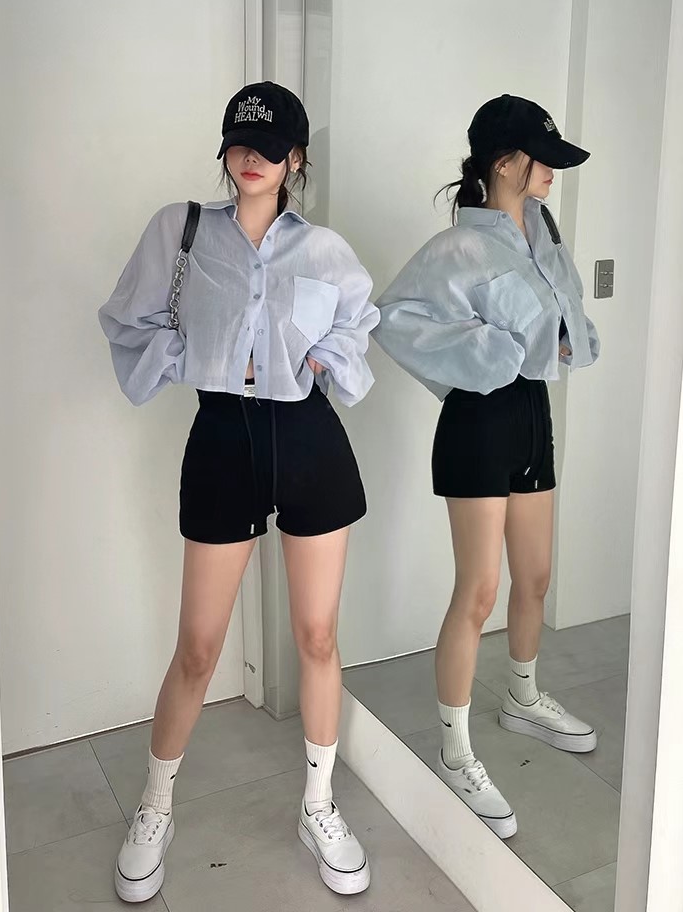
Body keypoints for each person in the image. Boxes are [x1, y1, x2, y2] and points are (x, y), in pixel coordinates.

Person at [99, 81, 378, 900]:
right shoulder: (181, 232)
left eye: (270, 146)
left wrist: (323, 359)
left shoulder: (324, 250)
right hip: (223, 437)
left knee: (317, 637)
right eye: (239, 143)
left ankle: (319, 805)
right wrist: (195, 359)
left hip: (309, 439)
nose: (251, 158)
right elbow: (128, 321)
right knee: (197, 647)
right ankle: (156, 807)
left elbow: (359, 324)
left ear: (297, 159)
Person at [372, 94, 600, 838]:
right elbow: (393, 318)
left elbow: (561, 318)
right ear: (506, 163)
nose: (552, 175)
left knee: (535, 577)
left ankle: (522, 697)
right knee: (479, 590)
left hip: (531, 413)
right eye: (543, 161)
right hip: (477, 423)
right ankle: (454, 749)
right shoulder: (458, 248)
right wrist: (489, 350)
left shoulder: (544, 232)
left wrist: (564, 340)